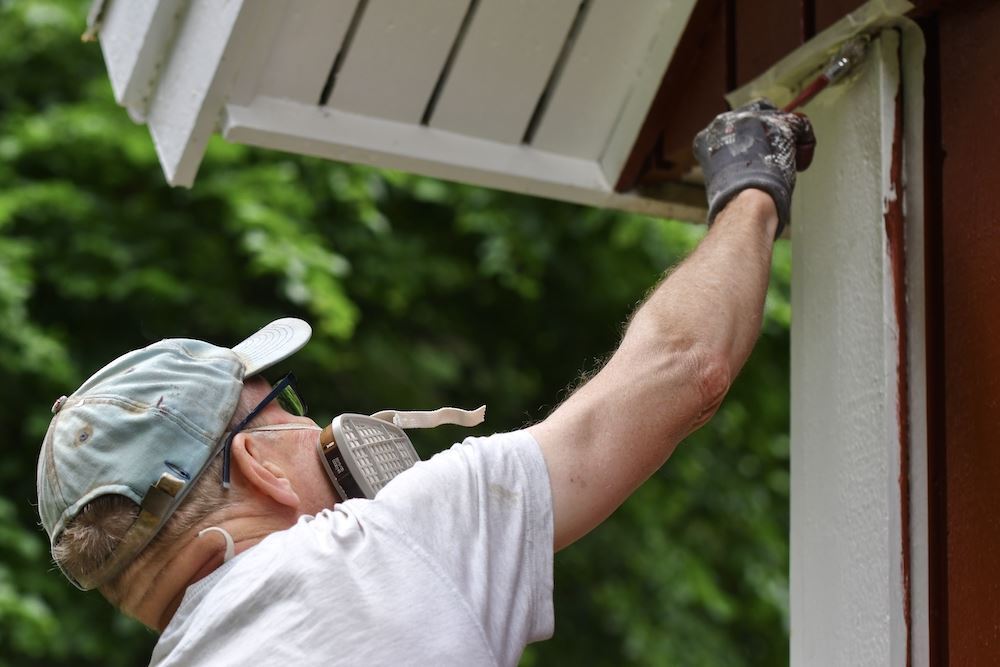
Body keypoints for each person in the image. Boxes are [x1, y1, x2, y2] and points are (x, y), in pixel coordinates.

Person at [36, 101, 815, 666]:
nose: (318, 429)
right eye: (287, 407)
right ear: (258, 465)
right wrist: (750, 182)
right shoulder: (375, 551)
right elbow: (686, 365)